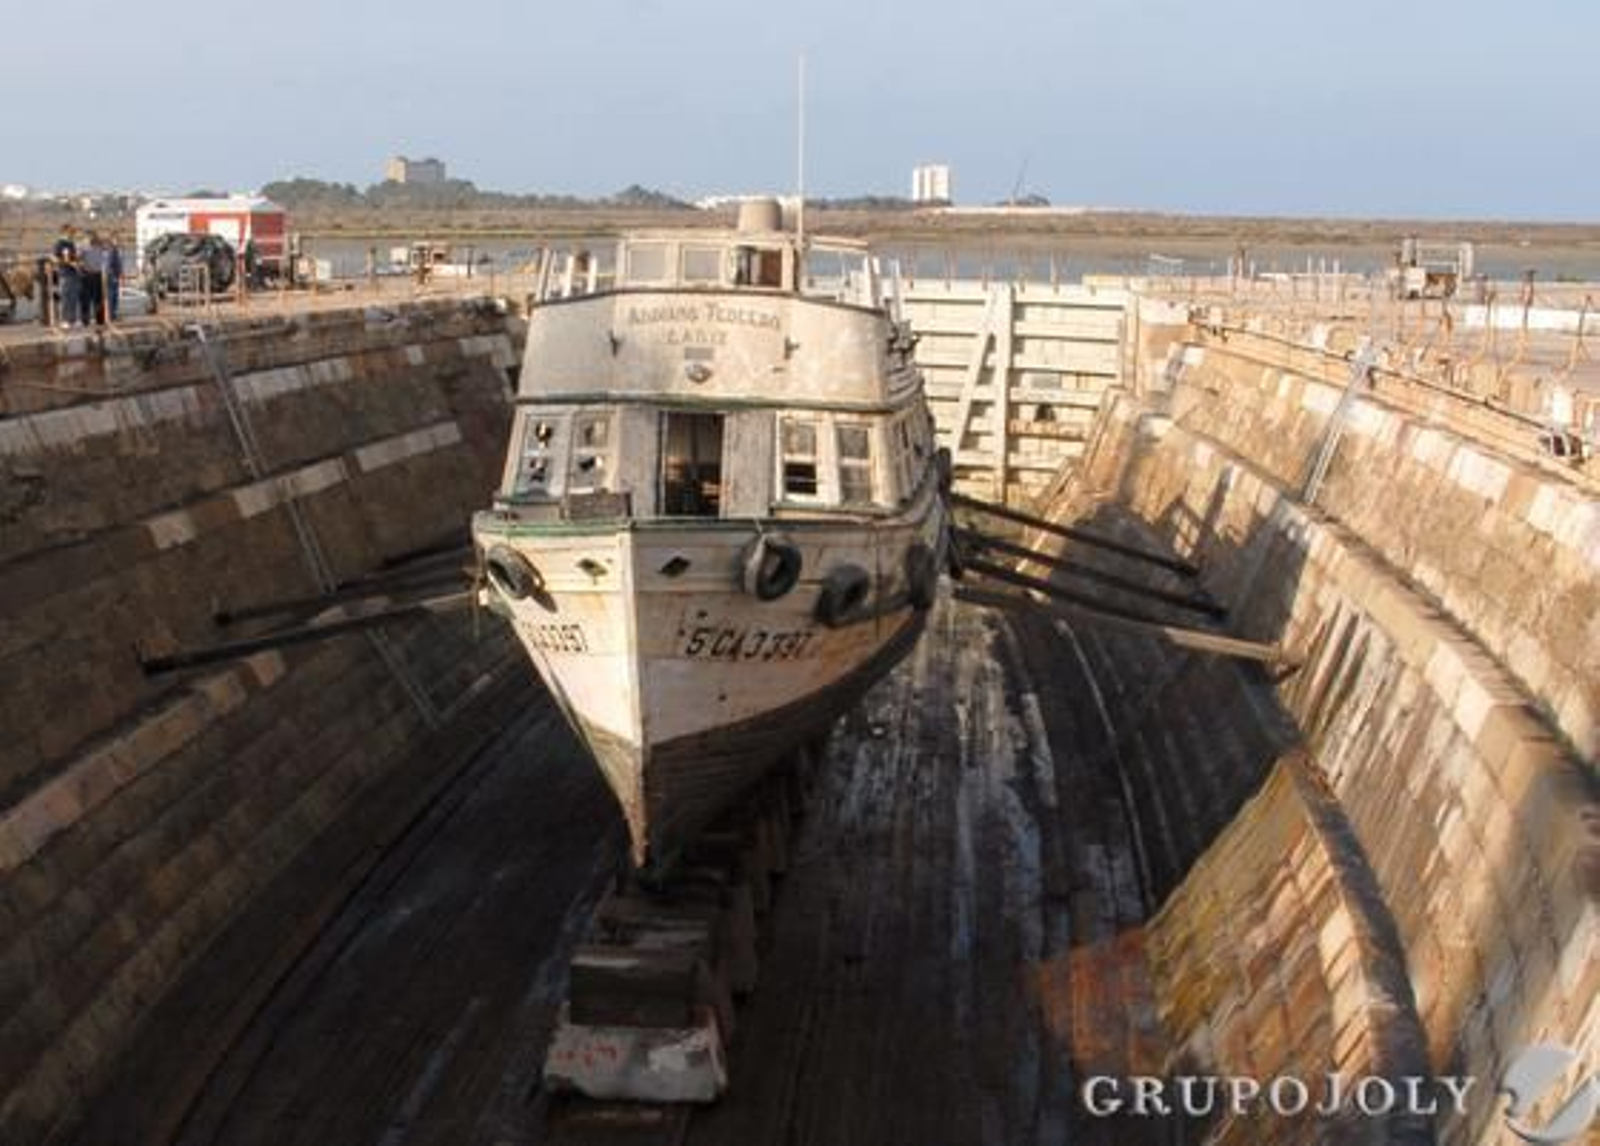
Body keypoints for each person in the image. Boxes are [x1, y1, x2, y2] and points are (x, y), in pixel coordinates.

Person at [52, 225, 82, 328]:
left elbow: (73, 257)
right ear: (65, 232)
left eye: (73, 233)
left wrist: (77, 262)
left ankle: (73, 319)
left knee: (74, 298)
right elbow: (55, 258)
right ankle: (64, 320)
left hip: (74, 273)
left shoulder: (71, 243)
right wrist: (69, 263)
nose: (73, 234)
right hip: (65, 273)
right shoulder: (59, 244)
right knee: (65, 297)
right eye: (71, 232)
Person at [80, 232, 108, 326]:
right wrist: (84, 267)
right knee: (86, 299)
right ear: (87, 238)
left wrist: (102, 241)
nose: (92, 239)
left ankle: (100, 320)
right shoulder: (83, 247)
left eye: (94, 237)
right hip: (86, 275)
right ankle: (85, 320)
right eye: (90, 238)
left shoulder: (99, 246)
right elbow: (79, 259)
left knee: (99, 298)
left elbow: (106, 250)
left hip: (97, 274)